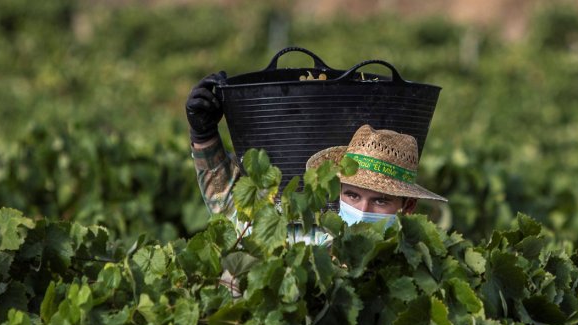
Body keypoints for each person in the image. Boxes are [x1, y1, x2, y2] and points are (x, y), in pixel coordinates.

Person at [185, 73, 447, 245]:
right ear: (339, 191)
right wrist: (204, 133)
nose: (362, 211)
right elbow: (231, 210)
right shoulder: (310, 238)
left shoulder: (416, 261)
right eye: (353, 196)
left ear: (408, 207)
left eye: (380, 200)